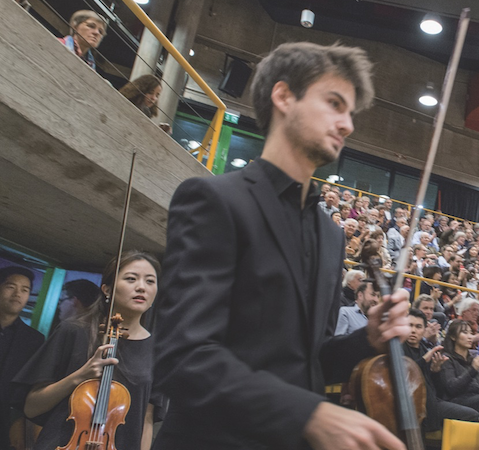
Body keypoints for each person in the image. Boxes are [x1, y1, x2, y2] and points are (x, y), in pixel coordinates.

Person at [152, 42, 410, 450]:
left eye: (351, 113)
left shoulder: (331, 235)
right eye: (334, 103)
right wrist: (307, 413)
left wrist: (368, 340)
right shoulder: (213, 199)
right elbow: (184, 357)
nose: (347, 125)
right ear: (284, 95)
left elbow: (309, 363)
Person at [12, 251, 161, 450]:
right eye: (131, 279)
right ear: (107, 289)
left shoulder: (159, 351)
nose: (141, 287)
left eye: (150, 281)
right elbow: (31, 407)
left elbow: (146, 419)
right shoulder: (73, 331)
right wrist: (80, 375)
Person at [0, 266, 45, 450]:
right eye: (11, 286)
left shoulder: (34, 339)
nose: (18, 294)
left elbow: (29, 387)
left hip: (6, 423)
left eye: (25, 290)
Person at [440, 319, 479, 412]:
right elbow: (452, 389)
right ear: (453, 337)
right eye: (465, 333)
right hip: (457, 401)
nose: (470, 337)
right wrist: (473, 369)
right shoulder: (446, 358)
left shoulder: (474, 358)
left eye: (471, 333)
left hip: (476, 398)